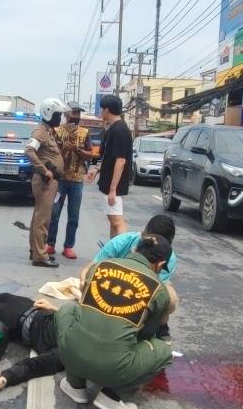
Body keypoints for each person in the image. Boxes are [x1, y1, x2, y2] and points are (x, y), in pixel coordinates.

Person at [0, 234, 174, 409]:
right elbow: (145, 336)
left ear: (135, 249)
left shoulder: (100, 267)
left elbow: (40, 362)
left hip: (58, 343)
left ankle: (75, 384)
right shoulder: (158, 289)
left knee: (67, 308)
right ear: (160, 264)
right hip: (104, 361)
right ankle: (113, 395)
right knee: (163, 349)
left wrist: (2, 380)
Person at [93, 213, 179, 338]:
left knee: (170, 299)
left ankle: (159, 326)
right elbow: (90, 268)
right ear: (143, 234)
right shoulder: (122, 241)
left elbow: (155, 294)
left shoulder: (168, 259)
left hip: (141, 293)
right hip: (111, 286)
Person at [46, 104, 94, 260]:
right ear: (67, 114)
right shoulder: (57, 132)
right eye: (74, 113)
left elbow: (90, 155)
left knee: (73, 216)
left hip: (76, 180)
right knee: (54, 214)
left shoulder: (84, 132)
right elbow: (52, 156)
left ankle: (68, 246)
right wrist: (65, 149)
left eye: (79, 113)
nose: (77, 116)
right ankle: (50, 243)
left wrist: (78, 150)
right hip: (60, 179)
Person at [26, 98, 66, 268]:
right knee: (43, 220)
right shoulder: (40, 131)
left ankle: (35, 250)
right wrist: (44, 170)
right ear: (48, 113)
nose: (60, 118)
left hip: (50, 181)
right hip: (45, 182)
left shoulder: (49, 131)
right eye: (58, 114)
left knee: (38, 218)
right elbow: (29, 150)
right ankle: (40, 256)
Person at [97, 95, 133, 238]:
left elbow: (121, 161)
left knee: (117, 222)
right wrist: (98, 169)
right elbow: (110, 158)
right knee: (113, 221)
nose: (101, 112)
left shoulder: (120, 130)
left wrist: (113, 190)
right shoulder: (113, 129)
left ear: (107, 110)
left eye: (102, 109)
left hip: (114, 186)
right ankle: (114, 252)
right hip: (109, 182)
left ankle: (123, 252)